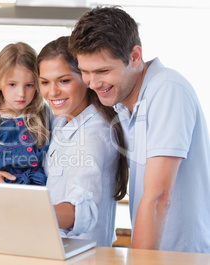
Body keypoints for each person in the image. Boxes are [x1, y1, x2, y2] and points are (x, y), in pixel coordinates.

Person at [69, 6, 210, 253]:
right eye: (85, 72)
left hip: (182, 256)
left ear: (135, 57)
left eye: (103, 71)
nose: (93, 83)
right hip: (158, 254)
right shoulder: (125, 104)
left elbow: (158, 198)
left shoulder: (167, 90)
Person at [37, 36, 128, 247]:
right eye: (45, 82)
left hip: (83, 256)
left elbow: (83, 209)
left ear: (86, 80)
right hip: (54, 251)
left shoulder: (93, 135)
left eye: (64, 81)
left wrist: (27, 214)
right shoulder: (61, 119)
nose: (52, 92)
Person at [0, 42, 50, 185]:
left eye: (29, 85)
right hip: (6, 193)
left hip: (39, 192)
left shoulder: (44, 115)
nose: (21, 94)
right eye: (12, 84)